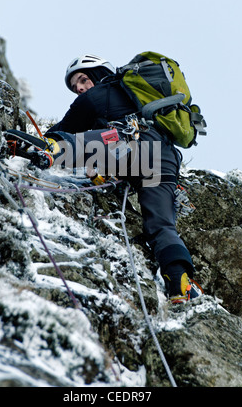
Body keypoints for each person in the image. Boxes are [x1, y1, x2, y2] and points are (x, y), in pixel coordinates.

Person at [41, 54, 198, 303]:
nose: (79, 88)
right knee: (162, 227)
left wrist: (47, 141)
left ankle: (50, 152)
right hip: (164, 160)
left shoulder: (102, 92)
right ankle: (180, 282)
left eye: (82, 79)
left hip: (134, 144)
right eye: (75, 87)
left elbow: (65, 127)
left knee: (68, 143)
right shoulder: (130, 98)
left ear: (98, 73)